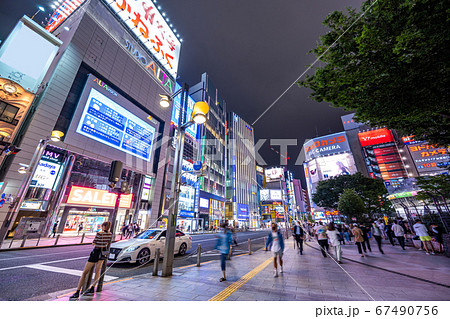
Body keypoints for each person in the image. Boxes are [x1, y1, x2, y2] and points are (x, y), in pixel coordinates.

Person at [70, 221, 113, 300]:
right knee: (98, 271)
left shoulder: (100, 233)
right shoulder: (110, 234)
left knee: (85, 272)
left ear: (103, 226)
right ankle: (93, 287)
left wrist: (96, 242)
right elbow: (106, 243)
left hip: (96, 252)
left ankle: (77, 291)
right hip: (103, 252)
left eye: (102, 225)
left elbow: (94, 243)